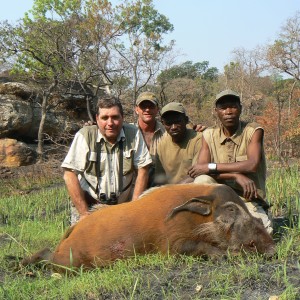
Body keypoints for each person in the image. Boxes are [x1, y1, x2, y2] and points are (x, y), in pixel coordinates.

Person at [188, 89, 273, 234]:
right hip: (220, 200)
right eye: (223, 108)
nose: (228, 111)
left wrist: (211, 167)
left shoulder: (253, 130)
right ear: (216, 111)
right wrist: (235, 175)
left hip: (248, 199)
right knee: (202, 179)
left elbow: (252, 165)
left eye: (232, 106)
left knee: (264, 234)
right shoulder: (208, 135)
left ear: (240, 108)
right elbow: (201, 171)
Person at [61, 96, 152, 224]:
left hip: (123, 206)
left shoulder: (134, 134)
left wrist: (135, 208)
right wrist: (84, 213)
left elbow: (143, 169)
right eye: (104, 118)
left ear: (122, 118)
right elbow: (69, 174)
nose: (110, 123)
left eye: (115, 117)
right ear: (97, 119)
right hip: (89, 205)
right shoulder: (85, 135)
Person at [154, 102, 202, 184]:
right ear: (163, 123)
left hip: (193, 189)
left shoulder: (198, 139)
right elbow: (160, 177)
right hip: (169, 191)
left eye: (177, 122)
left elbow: (197, 174)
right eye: (168, 123)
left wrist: (175, 190)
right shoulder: (161, 144)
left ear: (186, 120)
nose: (173, 127)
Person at [134, 91, 165, 187]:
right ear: (136, 109)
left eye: (151, 106)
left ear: (157, 109)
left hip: (159, 184)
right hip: (133, 184)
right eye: (143, 106)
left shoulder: (167, 132)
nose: (147, 110)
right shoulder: (127, 132)